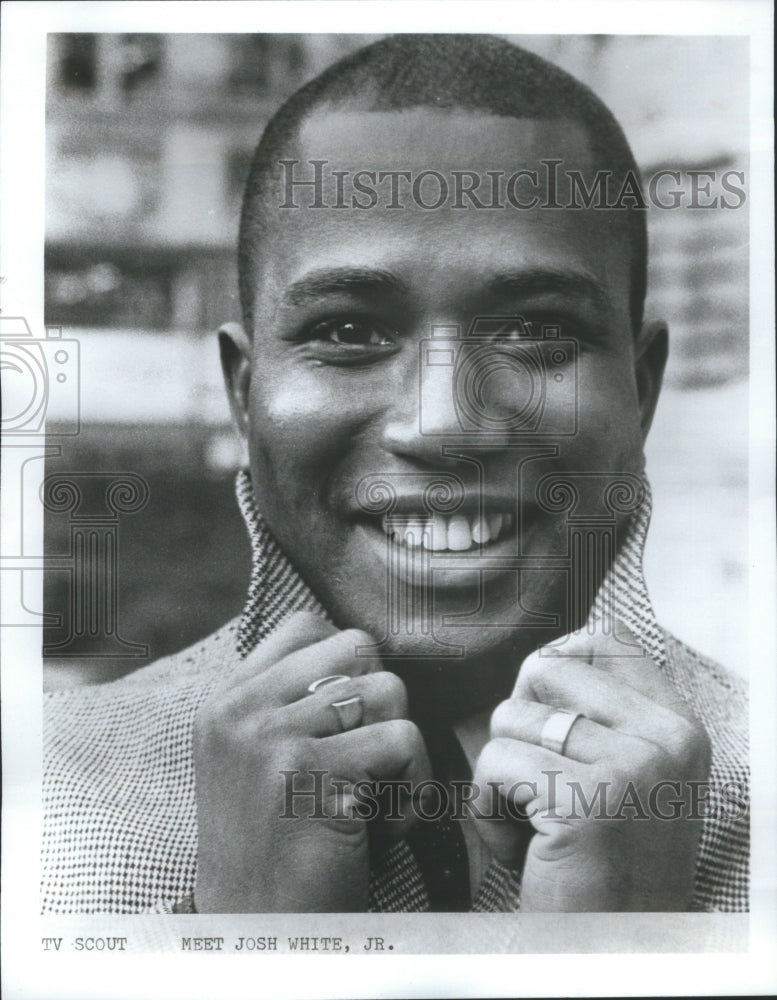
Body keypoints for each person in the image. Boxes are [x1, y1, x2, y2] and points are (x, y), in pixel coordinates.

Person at [42, 34, 748, 914]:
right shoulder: (49, 802)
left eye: (534, 329)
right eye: (347, 332)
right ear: (245, 394)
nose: (444, 423)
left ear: (638, 393)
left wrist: (630, 958)